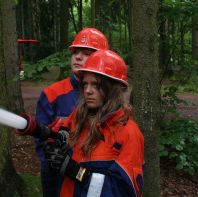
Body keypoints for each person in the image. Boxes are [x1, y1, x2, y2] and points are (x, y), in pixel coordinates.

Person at [42, 49, 145, 197]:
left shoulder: (129, 134)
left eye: (96, 85)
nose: (88, 91)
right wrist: (54, 143)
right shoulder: (79, 119)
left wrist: (78, 173)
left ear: (113, 88)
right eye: (85, 84)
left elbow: (122, 191)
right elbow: (60, 133)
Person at [35, 28, 109, 196]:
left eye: (86, 53)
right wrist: (57, 163)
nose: (77, 57)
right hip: (56, 178)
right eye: (75, 52)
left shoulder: (109, 99)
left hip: (93, 178)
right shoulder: (52, 94)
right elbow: (41, 143)